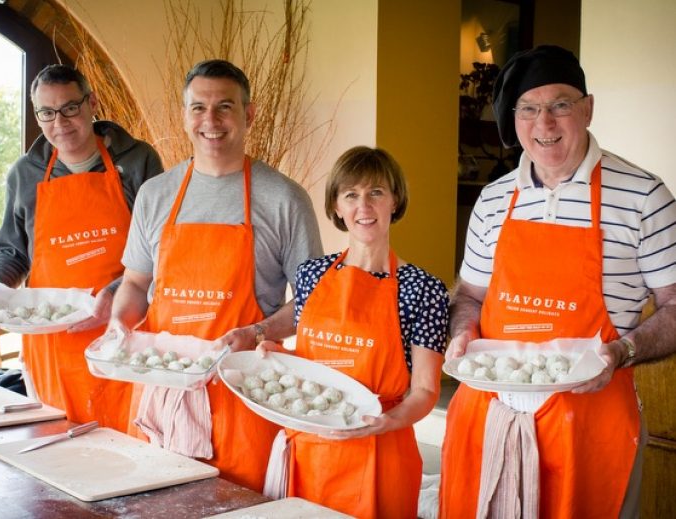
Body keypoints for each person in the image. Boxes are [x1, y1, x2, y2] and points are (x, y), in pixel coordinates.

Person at [440, 45, 676, 519]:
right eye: (528, 109)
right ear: (515, 118)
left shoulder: (644, 196)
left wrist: (622, 352)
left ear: (587, 108)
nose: (544, 124)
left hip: (593, 425)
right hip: (489, 416)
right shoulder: (492, 200)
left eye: (560, 105)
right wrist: (463, 333)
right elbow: (469, 295)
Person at [106, 59, 323, 492]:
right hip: (162, 386)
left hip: (241, 393)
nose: (211, 120)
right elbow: (134, 283)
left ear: (250, 113)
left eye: (225, 107)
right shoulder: (155, 195)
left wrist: (258, 330)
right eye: (198, 108)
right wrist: (118, 324)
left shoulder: (284, 199)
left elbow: (312, 301)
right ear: (184, 114)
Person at [246, 146, 448, 519]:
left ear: (395, 200)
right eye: (351, 195)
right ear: (337, 207)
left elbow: (425, 389)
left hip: (381, 451)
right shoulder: (310, 276)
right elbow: (314, 364)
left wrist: (390, 421)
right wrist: (277, 356)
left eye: (376, 193)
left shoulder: (423, 289)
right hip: (311, 448)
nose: (364, 207)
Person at [0, 64, 163, 431]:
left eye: (70, 107)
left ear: (91, 103)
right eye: (46, 113)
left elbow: (162, 250)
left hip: (123, 332)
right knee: (58, 445)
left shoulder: (138, 160)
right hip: (53, 345)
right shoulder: (25, 173)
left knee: (128, 447)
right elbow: (14, 252)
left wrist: (116, 293)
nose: (59, 122)